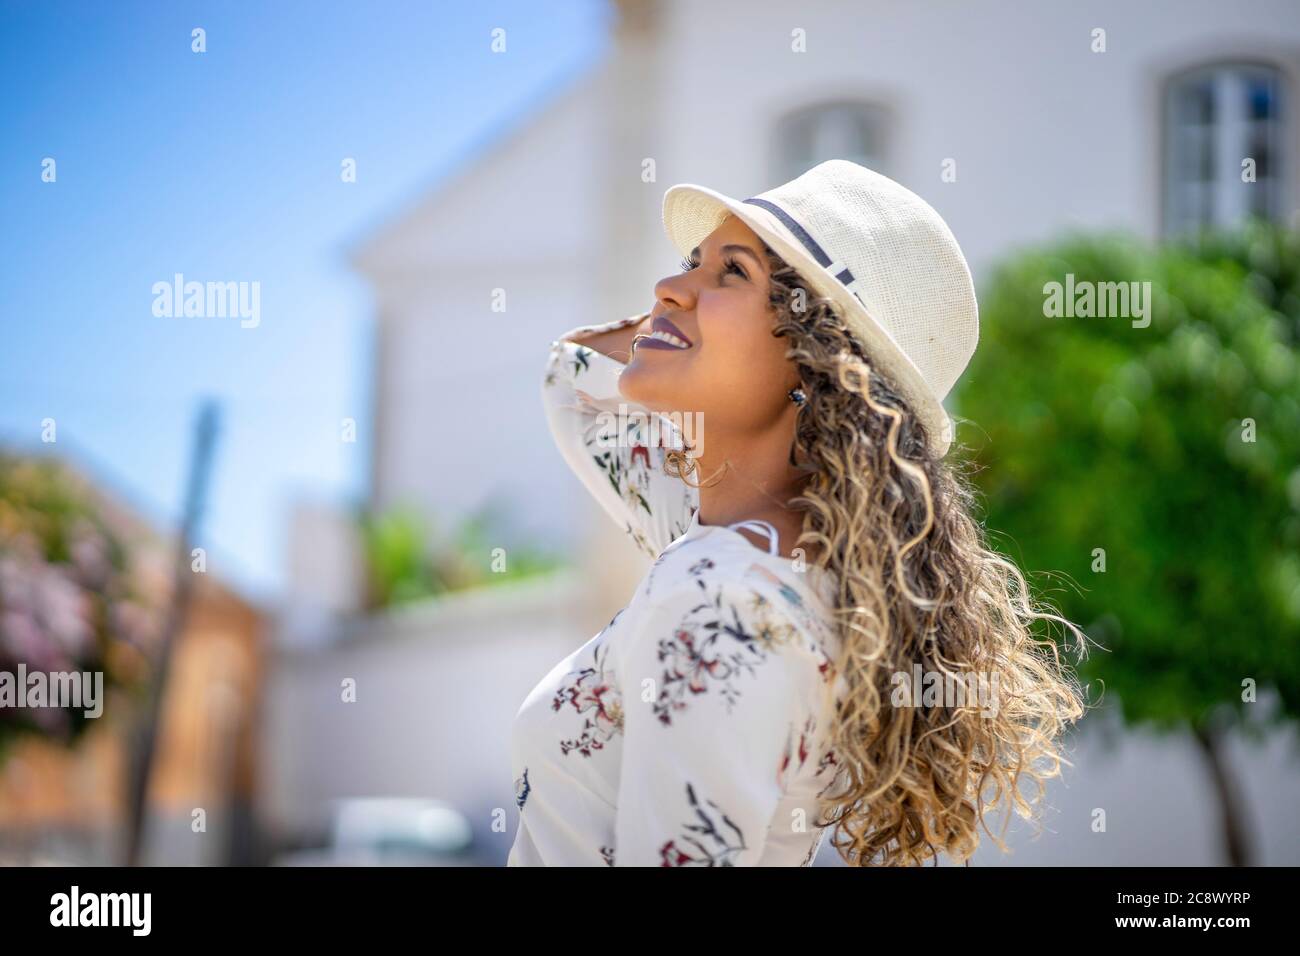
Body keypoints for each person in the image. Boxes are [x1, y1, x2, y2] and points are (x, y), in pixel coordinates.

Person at [508, 159, 1090, 867]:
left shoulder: (718, 592)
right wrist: (686, 326)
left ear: (819, 363)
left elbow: (574, 376)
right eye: (691, 261)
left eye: (733, 273)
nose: (667, 286)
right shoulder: (750, 556)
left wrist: (682, 334)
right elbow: (573, 379)